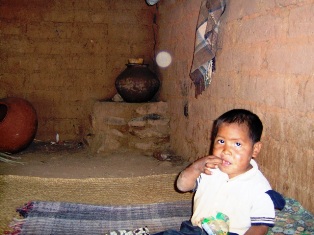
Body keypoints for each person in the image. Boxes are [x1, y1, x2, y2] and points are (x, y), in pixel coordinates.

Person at [156, 109, 284, 235]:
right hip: (194, 230)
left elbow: (261, 227)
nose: (226, 150)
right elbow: (182, 186)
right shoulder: (210, 170)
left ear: (255, 149)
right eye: (221, 141)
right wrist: (196, 167)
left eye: (237, 144)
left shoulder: (259, 188)